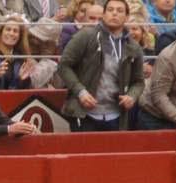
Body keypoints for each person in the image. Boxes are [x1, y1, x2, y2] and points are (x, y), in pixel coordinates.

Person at [57, 0, 145, 131]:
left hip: (117, 116)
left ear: (127, 17)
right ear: (103, 15)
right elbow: (63, 65)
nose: (114, 13)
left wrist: (132, 96)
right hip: (84, 114)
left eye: (119, 11)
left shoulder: (133, 46)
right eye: (110, 10)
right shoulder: (85, 36)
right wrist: (80, 92)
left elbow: (138, 82)